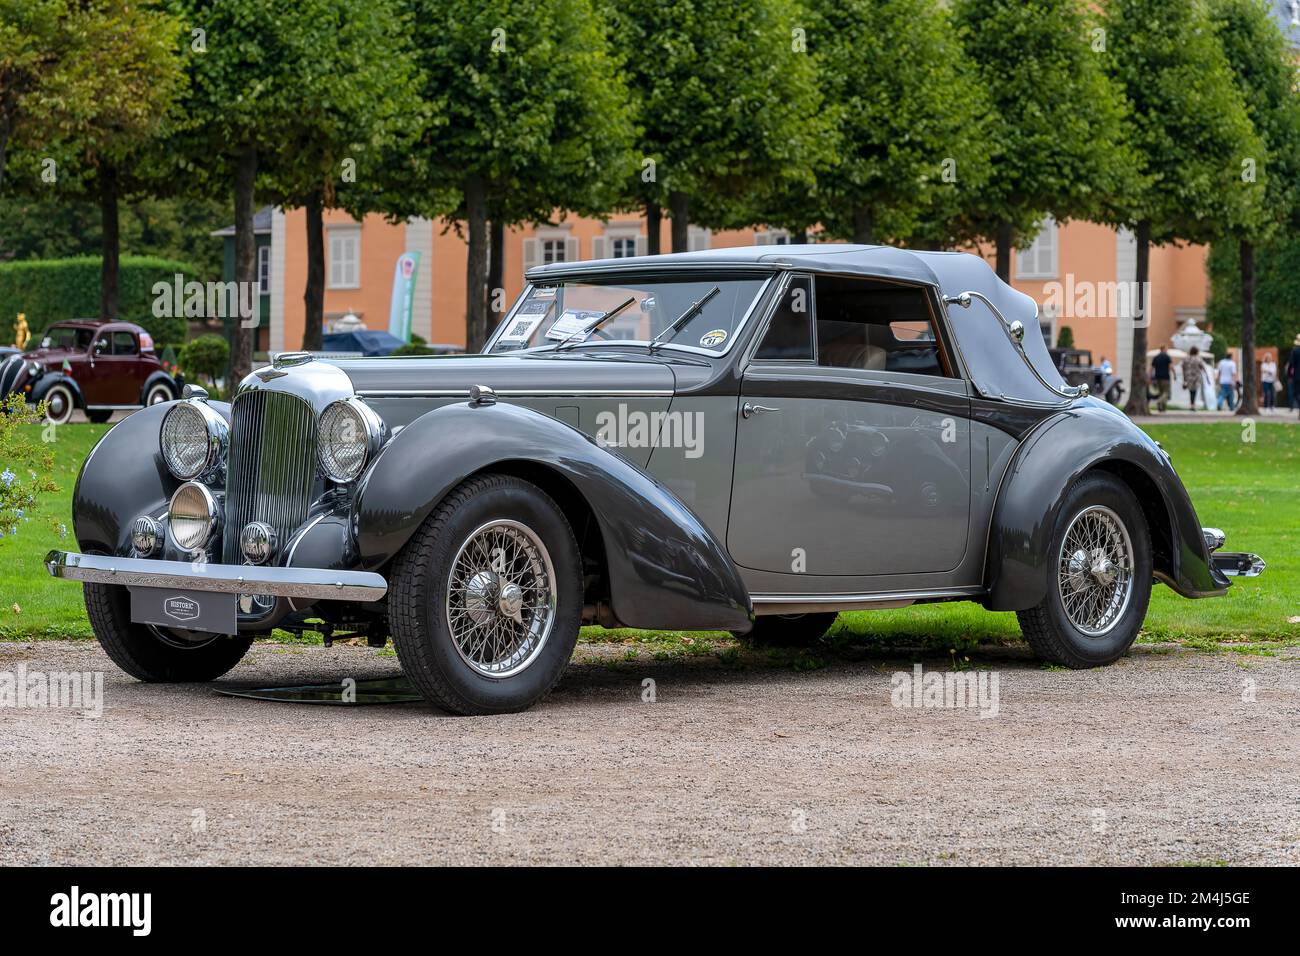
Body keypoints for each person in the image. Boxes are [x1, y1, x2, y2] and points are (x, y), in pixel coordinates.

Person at [1182, 346, 1206, 411]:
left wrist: (1184, 377)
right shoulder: (1198, 359)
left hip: (1188, 376)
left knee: (1191, 391)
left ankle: (1192, 404)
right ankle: (1192, 405)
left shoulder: (1186, 358)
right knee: (1194, 391)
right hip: (1196, 377)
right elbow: (1202, 367)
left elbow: (1183, 367)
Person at [1150, 346, 1172, 412]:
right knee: (1166, 393)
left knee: (1161, 393)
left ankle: (1162, 408)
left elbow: (1151, 368)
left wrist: (1150, 376)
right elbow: (1170, 366)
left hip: (1157, 377)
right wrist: (1174, 375)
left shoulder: (1156, 357)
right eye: (1166, 349)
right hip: (1165, 377)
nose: (1167, 350)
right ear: (1163, 349)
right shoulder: (1167, 357)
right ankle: (1159, 401)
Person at [1288, 334, 1300, 417]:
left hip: (1297, 376)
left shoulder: (1295, 351)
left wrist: (1289, 375)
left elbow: (1291, 364)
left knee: (1296, 393)